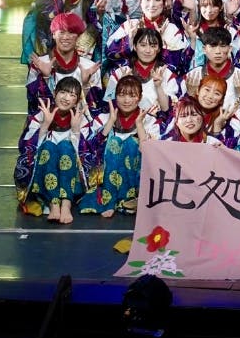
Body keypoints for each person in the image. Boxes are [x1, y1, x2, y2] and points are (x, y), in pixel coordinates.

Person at [15, 77, 95, 223]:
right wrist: (45, 125)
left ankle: (66, 203)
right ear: (54, 93)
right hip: (44, 172)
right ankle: (53, 203)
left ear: (77, 101)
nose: (66, 98)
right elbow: (26, 147)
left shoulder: (80, 118)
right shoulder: (42, 114)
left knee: (66, 146)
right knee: (48, 146)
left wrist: (75, 130)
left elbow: (87, 152)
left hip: (72, 177)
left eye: (72, 95)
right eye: (63, 92)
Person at [81, 75, 157, 217]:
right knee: (115, 142)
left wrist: (139, 125)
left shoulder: (148, 120)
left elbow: (151, 153)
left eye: (132, 96)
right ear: (115, 96)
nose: (126, 100)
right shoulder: (104, 117)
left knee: (131, 144)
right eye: (122, 95)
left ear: (140, 98)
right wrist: (110, 121)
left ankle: (131, 198)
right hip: (106, 175)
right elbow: (90, 147)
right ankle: (110, 200)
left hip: (135, 176)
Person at [26, 12, 103, 116]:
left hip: (81, 123)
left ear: (78, 36)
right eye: (61, 32)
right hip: (46, 123)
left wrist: (85, 85)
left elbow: (95, 108)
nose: (66, 37)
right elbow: (33, 103)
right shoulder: (39, 64)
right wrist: (45, 78)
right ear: (53, 34)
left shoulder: (90, 68)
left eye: (71, 32)